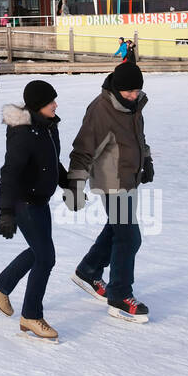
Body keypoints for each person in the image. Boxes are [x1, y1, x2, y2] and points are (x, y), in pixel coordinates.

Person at [63, 61, 154, 323]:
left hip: (129, 177)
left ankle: (88, 270)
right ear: (117, 88)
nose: (134, 96)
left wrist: (146, 161)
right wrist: (75, 186)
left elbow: (139, 137)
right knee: (129, 237)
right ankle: (119, 296)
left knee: (116, 229)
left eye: (137, 91)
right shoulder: (101, 110)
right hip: (111, 181)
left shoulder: (135, 104)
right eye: (129, 92)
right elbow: (83, 150)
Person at [0, 80, 67, 342]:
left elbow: (52, 163)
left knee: (38, 251)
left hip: (40, 200)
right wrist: (6, 211)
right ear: (37, 105)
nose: (55, 104)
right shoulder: (23, 133)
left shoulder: (48, 127)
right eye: (50, 101)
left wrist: (70, 185)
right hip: (23, 203)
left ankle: (0, 287)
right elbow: (9, 175)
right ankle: (31, 316)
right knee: (46, 257)